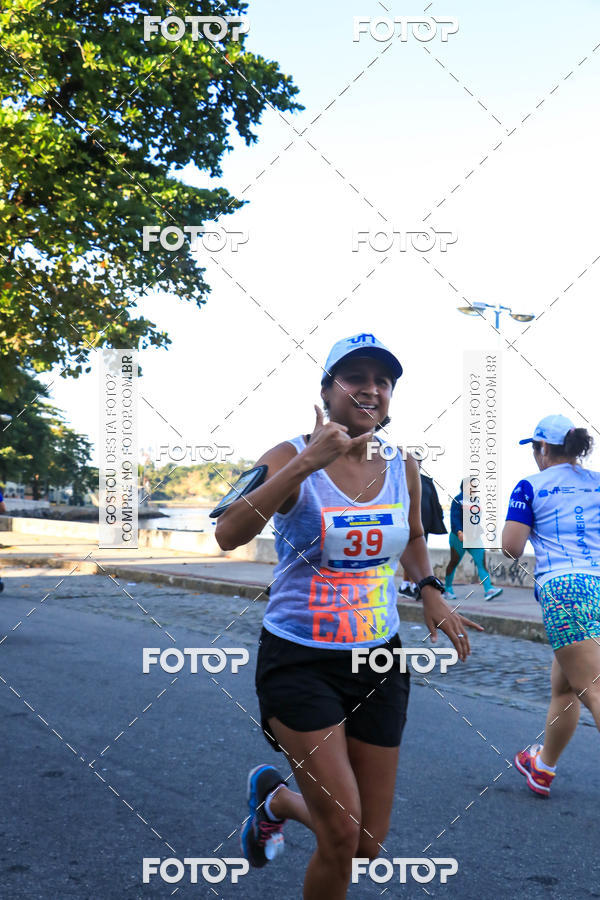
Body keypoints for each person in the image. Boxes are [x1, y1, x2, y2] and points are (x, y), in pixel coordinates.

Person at [215, 333, 483, 899]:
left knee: (366, 843)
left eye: (382, 381)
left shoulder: (400, 463)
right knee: (340, 831)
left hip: (378, 658)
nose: (370, 389)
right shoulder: (288, 455)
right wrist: (308, 462)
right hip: (300, 659)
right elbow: (228, 533)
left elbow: (412, 537)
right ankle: (283, 801)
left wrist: (430, 588)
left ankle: (277, 801)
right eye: (355, 378)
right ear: (327, 390)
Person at [502, 414, 600, 797]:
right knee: (565, 688)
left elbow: (511, 547)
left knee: (592, 688)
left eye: (535, 449)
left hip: (566, 591)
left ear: (543, 448)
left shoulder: (530, 486)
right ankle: (542, 768)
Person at [444, 480, 503, 601]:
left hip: (474, 538)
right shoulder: (457, 500)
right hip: (459, 538)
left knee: (481, 563)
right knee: (454, 562)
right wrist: (459, 532)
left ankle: (489, 589)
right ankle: (447, 589)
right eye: (471, 486)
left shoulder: (476, 500)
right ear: (464, 487)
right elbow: (454, 518)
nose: (474, 488)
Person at [398, 462, 447, 600]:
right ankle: (407, 585)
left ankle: (411, 586)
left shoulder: (426, 481)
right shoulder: (401, 478)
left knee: (417, 555)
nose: (417, 464)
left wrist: (439, 516)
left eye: (419, 461)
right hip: (406, 523)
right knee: (410, 554)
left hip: (424, 524)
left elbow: (434, 500)